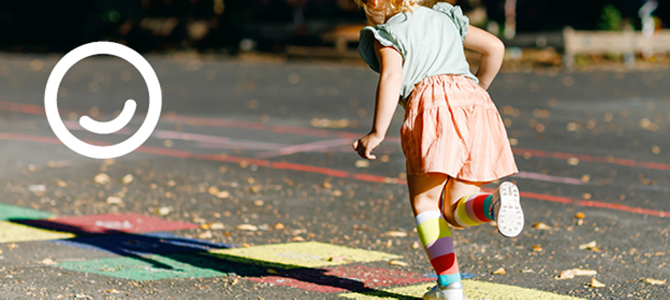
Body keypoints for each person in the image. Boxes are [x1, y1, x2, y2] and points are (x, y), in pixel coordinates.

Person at [350, 1, 524, 299]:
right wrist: (477, 90)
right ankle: (493, 205)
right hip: (476, 105)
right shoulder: (445, 18)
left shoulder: (389, 33)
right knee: (455, 210)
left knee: (426, 204)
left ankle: (450, 288)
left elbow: (392, 77)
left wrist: (377, 132)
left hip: (433, 108)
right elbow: (495, 47)